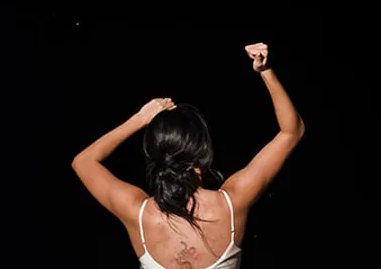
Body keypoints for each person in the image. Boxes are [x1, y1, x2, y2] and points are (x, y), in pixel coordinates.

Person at [72, 42, 305, 269]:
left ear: (154, 154)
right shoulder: (232, 203)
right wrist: (265, 71)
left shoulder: (138, 214)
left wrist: (139, 119)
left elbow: (83, 162)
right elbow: (292, 131)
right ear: (204, 150)